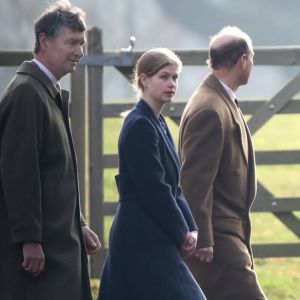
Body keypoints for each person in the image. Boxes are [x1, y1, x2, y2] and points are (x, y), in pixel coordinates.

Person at [0, 1, 101, 300]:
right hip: (41, 257)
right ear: (44, 41)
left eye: (81, 44)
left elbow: (57, 174)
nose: (79, 52)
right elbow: (20, 173)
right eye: (71, 42)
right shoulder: (27, 94)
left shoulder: (46, 92)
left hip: (59, 244)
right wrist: (30, 239)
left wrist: (78, 223)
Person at [98, 48, 206, 300]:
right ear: (144, 80)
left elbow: (174, 186)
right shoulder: (139, 126)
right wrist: (181, 232)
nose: (172, 83)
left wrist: (191, 228)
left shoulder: (159, 123)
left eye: (175, 77)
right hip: (139, 236)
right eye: (164, 76)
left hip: (155, 231)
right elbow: (153, 188)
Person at [179, 26, 266, 300]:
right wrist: (203, 237)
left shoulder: (220, 99)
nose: (252, 63)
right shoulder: (210, 109)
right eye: (251, 57)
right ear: (243, 60)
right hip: (218, 238)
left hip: (228, 234)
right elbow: (194, 181)